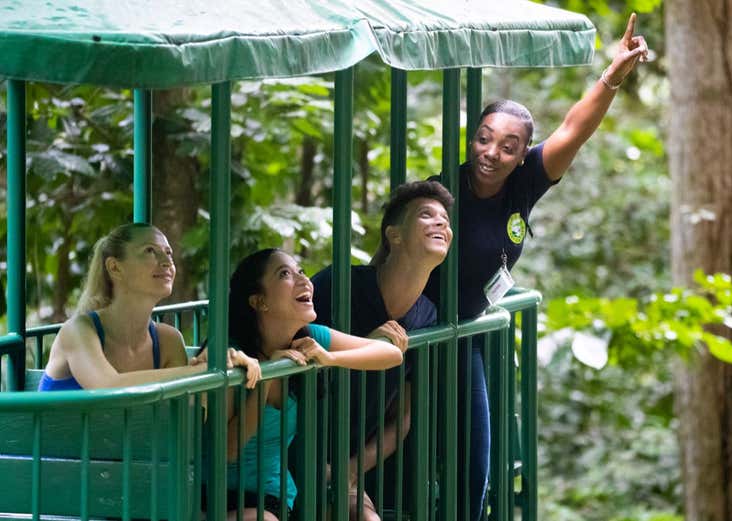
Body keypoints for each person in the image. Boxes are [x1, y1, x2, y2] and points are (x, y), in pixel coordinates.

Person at [424, 14, 650, 520]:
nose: (491, 153)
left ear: (524, 152)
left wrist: (612, 74)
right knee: (412, 459)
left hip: (465, 335)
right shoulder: (443, 192)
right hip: (423, 331)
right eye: (484, 138)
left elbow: (575, 127)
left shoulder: (526, 182)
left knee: (475, 470)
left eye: (508, 145)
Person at [215, 248, 403, 521]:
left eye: (301, 271)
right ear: (259, 301)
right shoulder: (234, 356)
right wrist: (269, 375)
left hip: (271, 498)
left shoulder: (308, 337)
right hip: (215, 495)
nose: (304, 281)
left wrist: (329, 358)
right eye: (285, 274)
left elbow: (392, 355)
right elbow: (229, 452)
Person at [312, 180, 454, 520]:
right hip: (294, 450)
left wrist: (352, 468)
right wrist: (365, 347)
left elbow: (404, 417)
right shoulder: (339, 286)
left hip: (346, 465)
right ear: (395, 235)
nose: (440, 224)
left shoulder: (427, 315)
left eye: (445, 220)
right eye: (426, 215)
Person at [39, 223, 260, 391]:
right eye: (150, 251)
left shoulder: (168, 340)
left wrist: (222, 359)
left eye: (169, 252)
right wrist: (206, 369)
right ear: (115, 268)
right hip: (47, 453)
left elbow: (188, 415)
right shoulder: (78, 330)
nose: (166, 261)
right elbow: (107, 387)